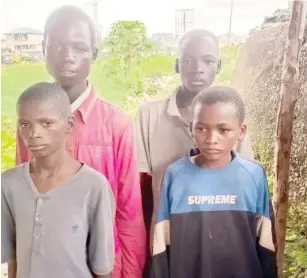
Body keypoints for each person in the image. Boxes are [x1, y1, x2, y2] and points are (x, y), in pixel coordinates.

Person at [15, 6, 146, 278]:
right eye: (57, 46)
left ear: (94, 53)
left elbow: (129, 214)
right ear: (43, 49)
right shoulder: (28, 123)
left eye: (79, 48)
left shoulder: (117, 126)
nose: (67, 57)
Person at [135, 29, 254, 251]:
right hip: (168, 240)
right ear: (177, 65)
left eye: (207, 61)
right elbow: (140, 190)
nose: (197, 69)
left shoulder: (233, 117)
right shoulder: (149, 116)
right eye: (188, 60)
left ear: (218, 66)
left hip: (220, 239)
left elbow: (245, 183)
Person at [151, 86, 277, 278]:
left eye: (223, 129)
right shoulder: (174, 175)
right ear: (192, 128)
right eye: (201, 128)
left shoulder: (254, 175)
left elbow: (267, 244)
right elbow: (161, 245)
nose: (211, 139)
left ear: (241, 131)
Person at [2, 82, 115, 278]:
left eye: (46, 123)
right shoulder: (9, 184)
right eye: (25, 124)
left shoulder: (94, 187)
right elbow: (12, 259)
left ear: (68, 125)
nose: (34, 133)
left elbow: (102, 268)